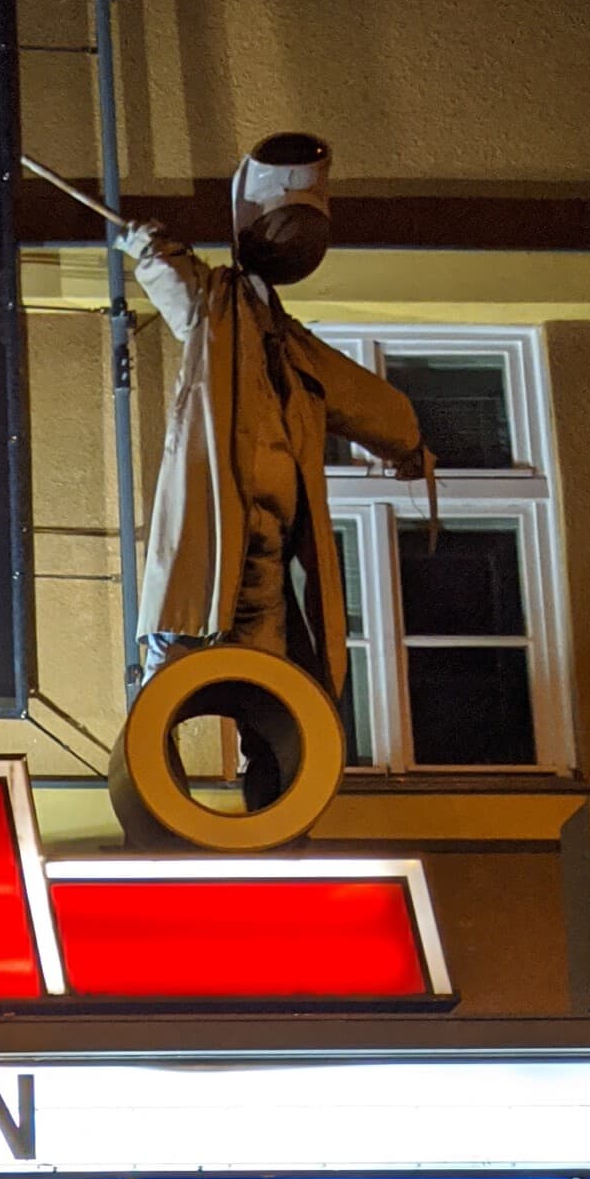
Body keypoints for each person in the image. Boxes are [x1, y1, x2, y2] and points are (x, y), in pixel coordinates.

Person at [122, 134, 430, 759]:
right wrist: (150, 252)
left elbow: (364, 398)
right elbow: (183, 294)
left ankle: (272, 781)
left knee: (267, 674)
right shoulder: (220, 309)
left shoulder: (293, 344)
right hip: (217, 530)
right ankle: (153, 770)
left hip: (269, 542)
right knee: (182, 643)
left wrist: (410, 444)